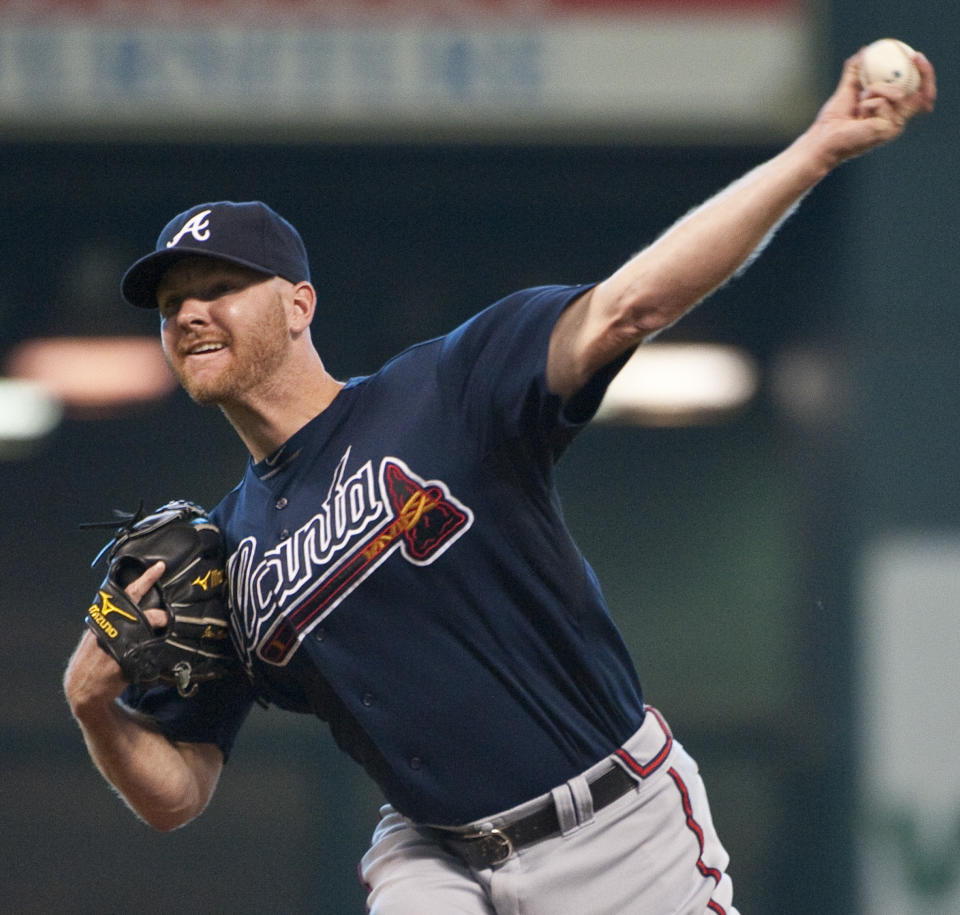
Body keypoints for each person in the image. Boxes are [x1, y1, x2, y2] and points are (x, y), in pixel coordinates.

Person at [63, 51, 935, 914]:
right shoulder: (225, 555)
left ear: (299, 306)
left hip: (616, 827)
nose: (188, 313)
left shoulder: (446, 388)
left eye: (220, 286)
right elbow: (178, 791)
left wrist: (815, 149)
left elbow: (634, 302)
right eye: (173, 302)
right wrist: (94, 704)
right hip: (432, 854)